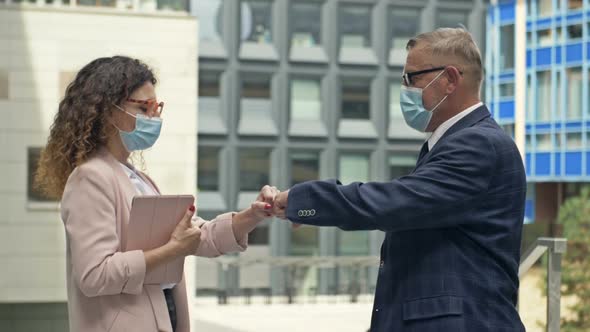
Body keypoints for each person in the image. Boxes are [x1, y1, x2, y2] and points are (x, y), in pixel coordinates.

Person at [272, 28, 526, 331]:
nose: (404, 89)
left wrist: (302, 201)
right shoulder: (450, 144)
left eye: (412, 78)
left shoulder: (478, 145)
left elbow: (394, 203)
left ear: (450, 79)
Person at [35, 56, 277, 332]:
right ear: (107, 111)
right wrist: (173, 250)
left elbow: (201, 237)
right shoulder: (90, 178)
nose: (155, 116)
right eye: (144, 107)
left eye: (157, 107)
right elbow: (95, 275)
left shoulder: (137, 178)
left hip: (165, 313)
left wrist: (253, 214)